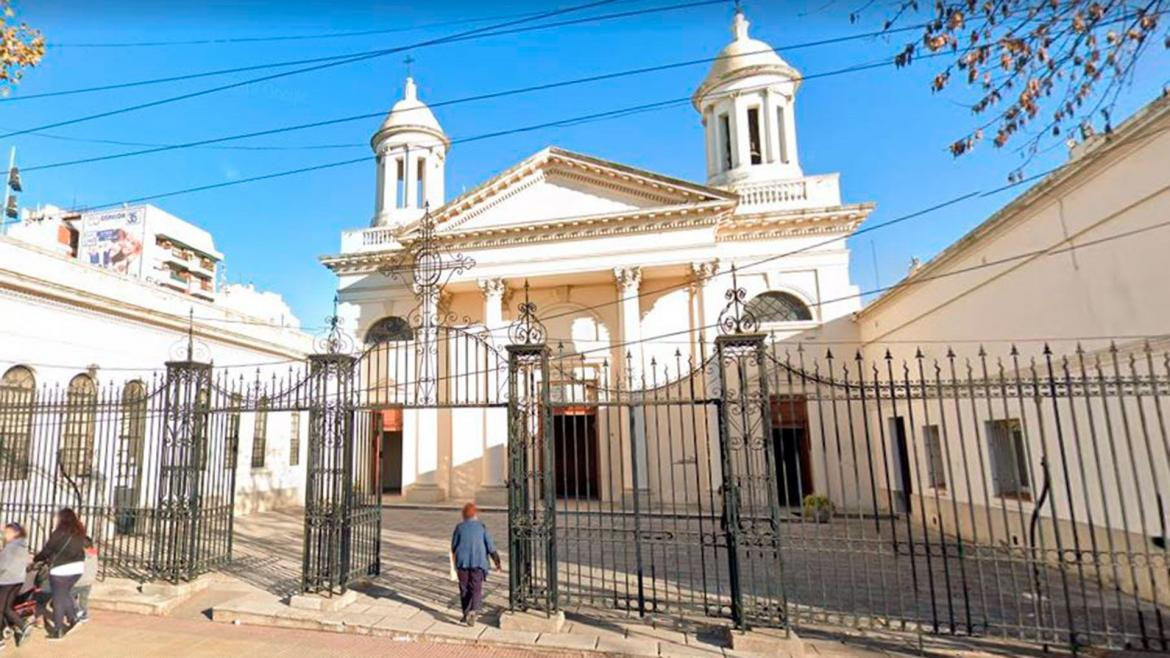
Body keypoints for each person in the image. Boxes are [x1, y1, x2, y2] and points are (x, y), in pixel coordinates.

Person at [33, 508, 86, 641]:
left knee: (58, 599)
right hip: (77, 568)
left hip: (60, 569)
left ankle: (58, 630)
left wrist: (36, 559)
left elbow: (47, 550)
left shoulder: (58, 533)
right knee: (64, 593)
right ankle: (73, 618)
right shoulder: (79, 533)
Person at [450, 503, 500, 627]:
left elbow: (453, 546)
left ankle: (465, 612)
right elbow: (490, 546)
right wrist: (497, 562)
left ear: (463, 515)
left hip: (462, 562)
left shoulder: (459, 527)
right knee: (476, 588)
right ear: (475, 514)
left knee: (464, 588)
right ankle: (473, 611)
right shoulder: (481, 527)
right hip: (478, 562)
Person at [0, 522, 32, 649]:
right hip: (17, 580)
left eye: (7, 533)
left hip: (5, 580)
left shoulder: (11, 546)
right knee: (7, 608)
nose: (4, 535)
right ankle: (23, 625)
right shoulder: (22, 545)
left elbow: (2, 565)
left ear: (15, 533)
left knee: (0, 608)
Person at [73, 537, 98, 624]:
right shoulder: (94, 553)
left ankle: (77, 611)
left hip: (79, 581)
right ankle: (84, 615)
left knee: (68, 596)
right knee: (84, 599)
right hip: (89, 580)